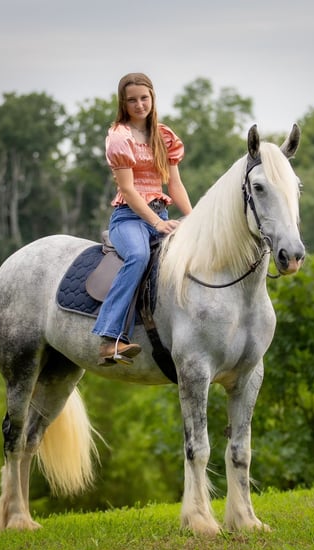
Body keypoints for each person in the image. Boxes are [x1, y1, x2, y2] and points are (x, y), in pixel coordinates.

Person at [92, 72, 192, 366]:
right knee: (137, 255)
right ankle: (109, 338)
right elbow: (128, 190)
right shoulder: (119, 137)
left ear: (153, 99)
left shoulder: (165, 136)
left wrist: (195, 219)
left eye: (144, 98)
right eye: (132, 100)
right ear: (123, 103)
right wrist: (157, 224)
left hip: (161, 212)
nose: (139, 104)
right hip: (128, 218)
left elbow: (174, 185)